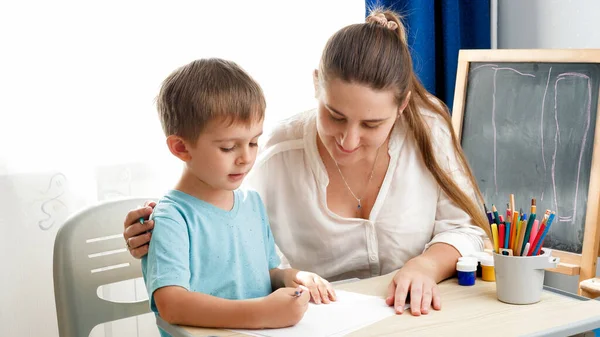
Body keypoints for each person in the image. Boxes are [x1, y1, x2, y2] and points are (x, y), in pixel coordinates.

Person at [125, 9, 491, 318]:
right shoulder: (275, 155)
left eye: (372, 124)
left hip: (418, 321)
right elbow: (218, 225)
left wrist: (426, 265)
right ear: (316, 85)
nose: (348, 141)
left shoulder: (429, 130)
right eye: (334, 115)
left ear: (402, 106)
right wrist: (158, 229)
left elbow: (470, 229)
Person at [140, 58, 336, 337]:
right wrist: (263, 314)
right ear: (181, 148)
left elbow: (265, 274)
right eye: (229, 147)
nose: (246, 158)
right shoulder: (172, 217)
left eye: (254, 142)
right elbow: (172, 304)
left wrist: (291, 277)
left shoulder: (251, 204)